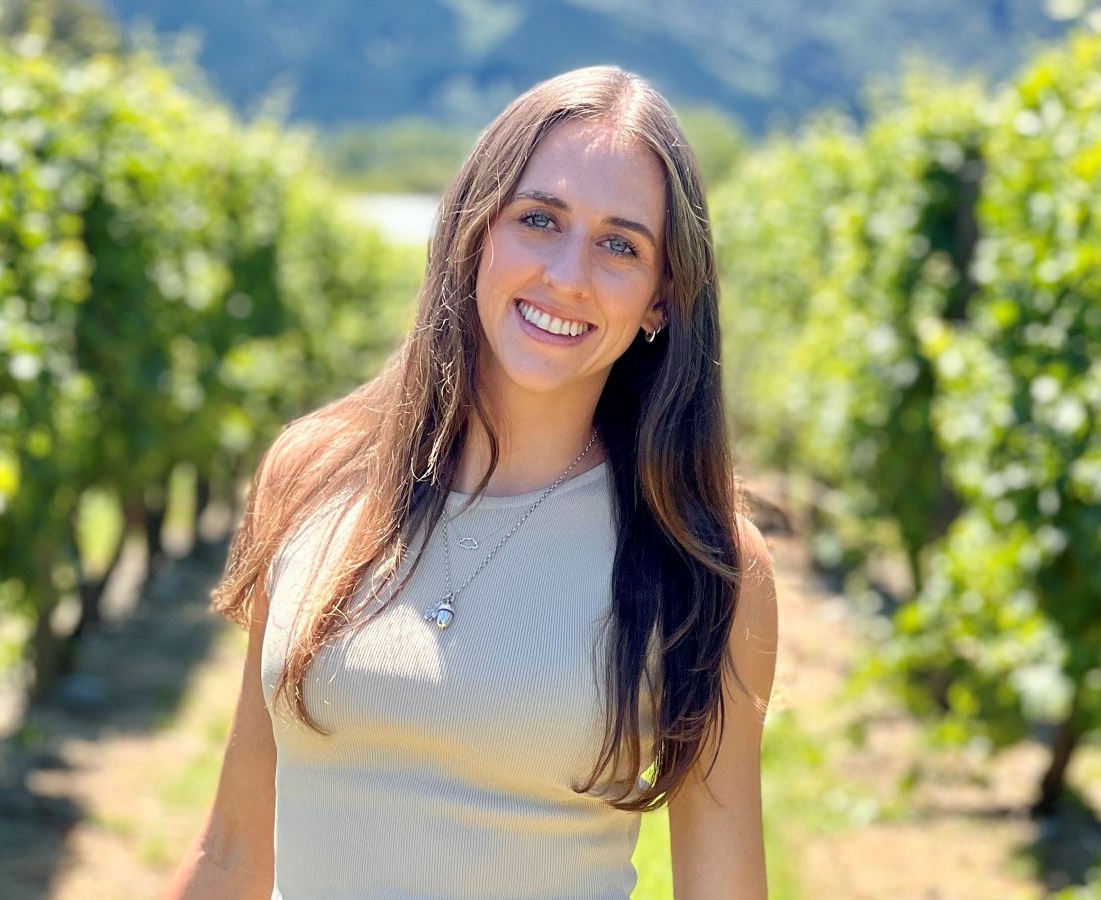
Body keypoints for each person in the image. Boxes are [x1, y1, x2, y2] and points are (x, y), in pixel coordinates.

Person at [165, 64, 779, 899]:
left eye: (619, 245)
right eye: (539, 219)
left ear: (661, 300)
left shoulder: (703, 563)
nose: (567, 274)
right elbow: (232, 853)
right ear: (474, 230)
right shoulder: (313, 474)